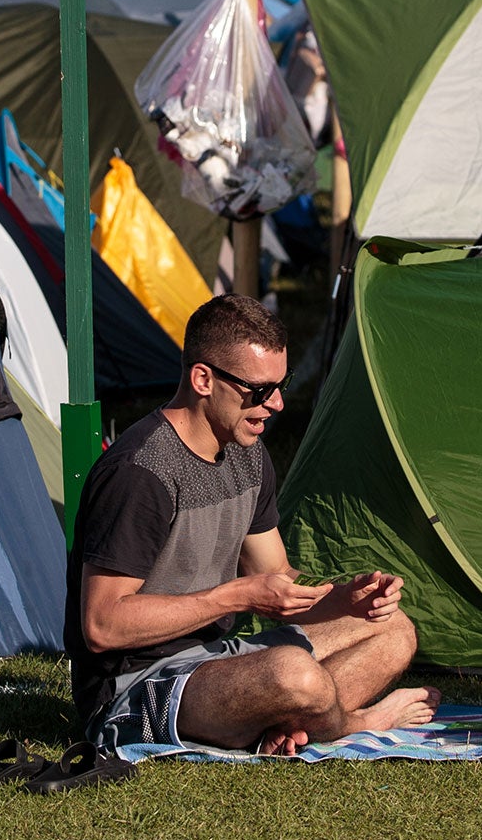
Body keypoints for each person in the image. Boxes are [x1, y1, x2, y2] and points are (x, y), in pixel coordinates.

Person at [68, 294, 436, 757]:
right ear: (203, 379)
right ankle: (356, 722)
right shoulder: (141, 473)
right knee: (293, 674)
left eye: (281, 386)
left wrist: (342, 600)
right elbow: (102, 624)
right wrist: (237, 595)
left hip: (216, 662)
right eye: (260, 390)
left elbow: (277, 579)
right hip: (136, 691)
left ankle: (282, 725)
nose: (277, 403)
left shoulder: (248, 453)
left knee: (394, 630)